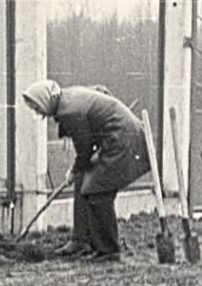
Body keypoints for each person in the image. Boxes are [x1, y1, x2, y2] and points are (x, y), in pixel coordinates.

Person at [20, 80, 149, 262]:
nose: (37, 112)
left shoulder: (70, 111)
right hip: (115, 137)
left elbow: (84, 149)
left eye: (36, 107)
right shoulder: (66, 97)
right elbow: (101, 90)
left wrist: (73, 170)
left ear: (44, 100)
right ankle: (82, 241)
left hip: (122, 140)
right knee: (84, 181)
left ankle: (108, 251)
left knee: (98, 190)